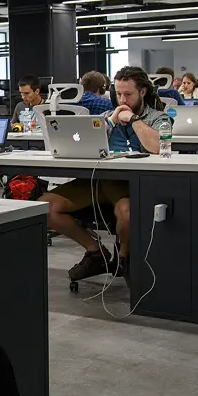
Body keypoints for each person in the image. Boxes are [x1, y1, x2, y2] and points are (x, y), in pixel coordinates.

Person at [41, 66, 169, 285]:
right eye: (118, 94)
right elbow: (83, 143)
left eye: (128, 94)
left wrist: (134, 120)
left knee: (126, 213)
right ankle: (95, 252)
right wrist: (110, 120)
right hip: (98, 181)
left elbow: (157, 147)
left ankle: (124, 257)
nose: (122, 99)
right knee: (46, 206)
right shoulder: (105, 117)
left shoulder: (158, 117)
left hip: (131, 184)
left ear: (143, 92)